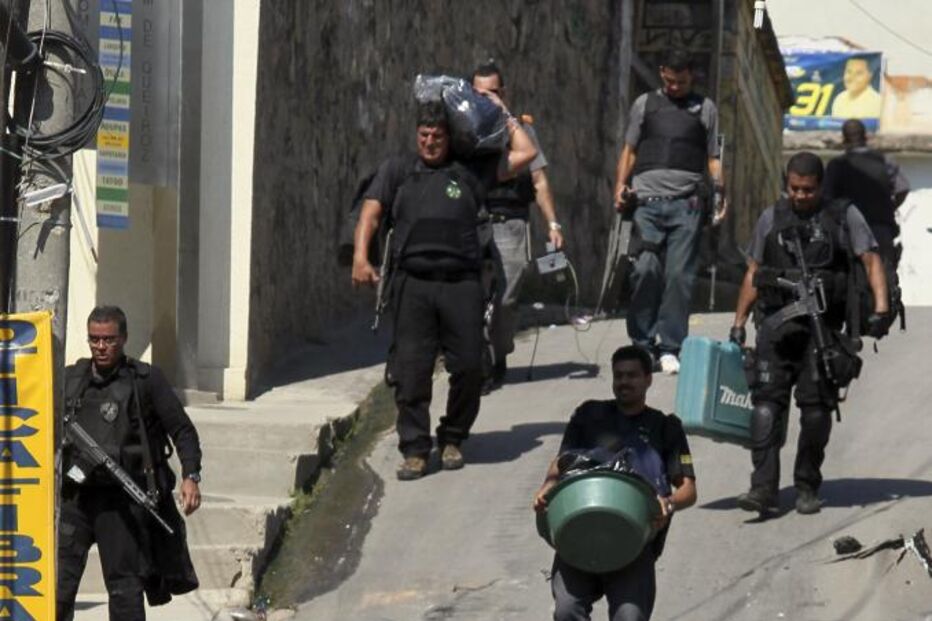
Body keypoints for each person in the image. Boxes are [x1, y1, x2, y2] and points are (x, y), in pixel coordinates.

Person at [352, 98, 537, 480]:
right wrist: (360, 258)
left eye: (437, 136)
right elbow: (370, 213)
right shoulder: (398, 170)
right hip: (413, 285)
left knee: (470, 366)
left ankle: (453, 436)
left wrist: (501, 111)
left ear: (450, 138)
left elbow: (527, 152)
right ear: (416, 135)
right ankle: (416, 449)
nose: (430, 142)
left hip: (462, 285)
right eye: (424, 135)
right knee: (411, 371)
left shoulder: (470, 171)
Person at [729, 152, 889, 516]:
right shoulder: (772, 217)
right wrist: (739, 322)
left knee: (817, 412)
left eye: (808, 189)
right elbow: (754, 272)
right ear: (787, 184)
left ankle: (806, 484)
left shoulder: (843, 216)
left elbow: (871, 259)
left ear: (820, 186)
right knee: (766, 406)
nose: (801, 196)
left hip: (823, 332)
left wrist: (880, 309)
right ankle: (763, 489)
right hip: (776, 328)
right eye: (795, 189)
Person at [58, 306, 202, 621]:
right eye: (94, 339)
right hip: (76, 498)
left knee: (124, 592)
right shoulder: (70, 379)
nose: (101, 346)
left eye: (108, 339)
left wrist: (191, 474)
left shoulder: (145, 381)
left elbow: (182, 429)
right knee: (58, 587)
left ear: (123, 339)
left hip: (121, 502)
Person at [533, 345, 697, 621]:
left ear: (648, 379)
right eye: (618, 376)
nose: (624, 382)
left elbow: (689, 491)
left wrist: (666, 505)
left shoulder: (665, 428)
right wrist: (547, 487)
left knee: (630, 617)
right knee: (566, 610)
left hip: (634, 539)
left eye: (632, 375)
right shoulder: (589, 415)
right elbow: (561, 462)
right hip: (579, 528)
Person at [613, 48, 724, 375]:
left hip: (687, 205)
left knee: (679, 277)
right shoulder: (645, 104)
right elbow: (630, 150)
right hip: (646, 203)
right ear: (662, 72)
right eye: (670, 80)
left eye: (682, 81)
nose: (675, 86)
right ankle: (642, 344)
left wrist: (720, 194)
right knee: (645, 270)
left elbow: (713, 158)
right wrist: (620, 185)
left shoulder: (705, 109)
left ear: (692, 75)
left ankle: (670, 347)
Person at [471, 61, 564, 392]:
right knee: (474, 295)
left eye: (493, 93)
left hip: (511, 222)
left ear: (504, 93)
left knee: (506, 299)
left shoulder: (521, 131)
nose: (487, 99)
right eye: (480, 94)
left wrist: (551, 222)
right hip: (475, 219)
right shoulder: (465, 127)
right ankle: (479, 361)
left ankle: (498, 354)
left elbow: (538, 179)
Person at [823, 118, 910, 263]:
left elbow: (826, 199)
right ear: (866, 137)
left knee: (852, 279)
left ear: (844, 140)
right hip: (881, 230)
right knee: (885, 277)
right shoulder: (884, 161)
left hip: (849, 233)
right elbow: (903, 189)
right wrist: (889, 207)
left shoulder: (836, 165)